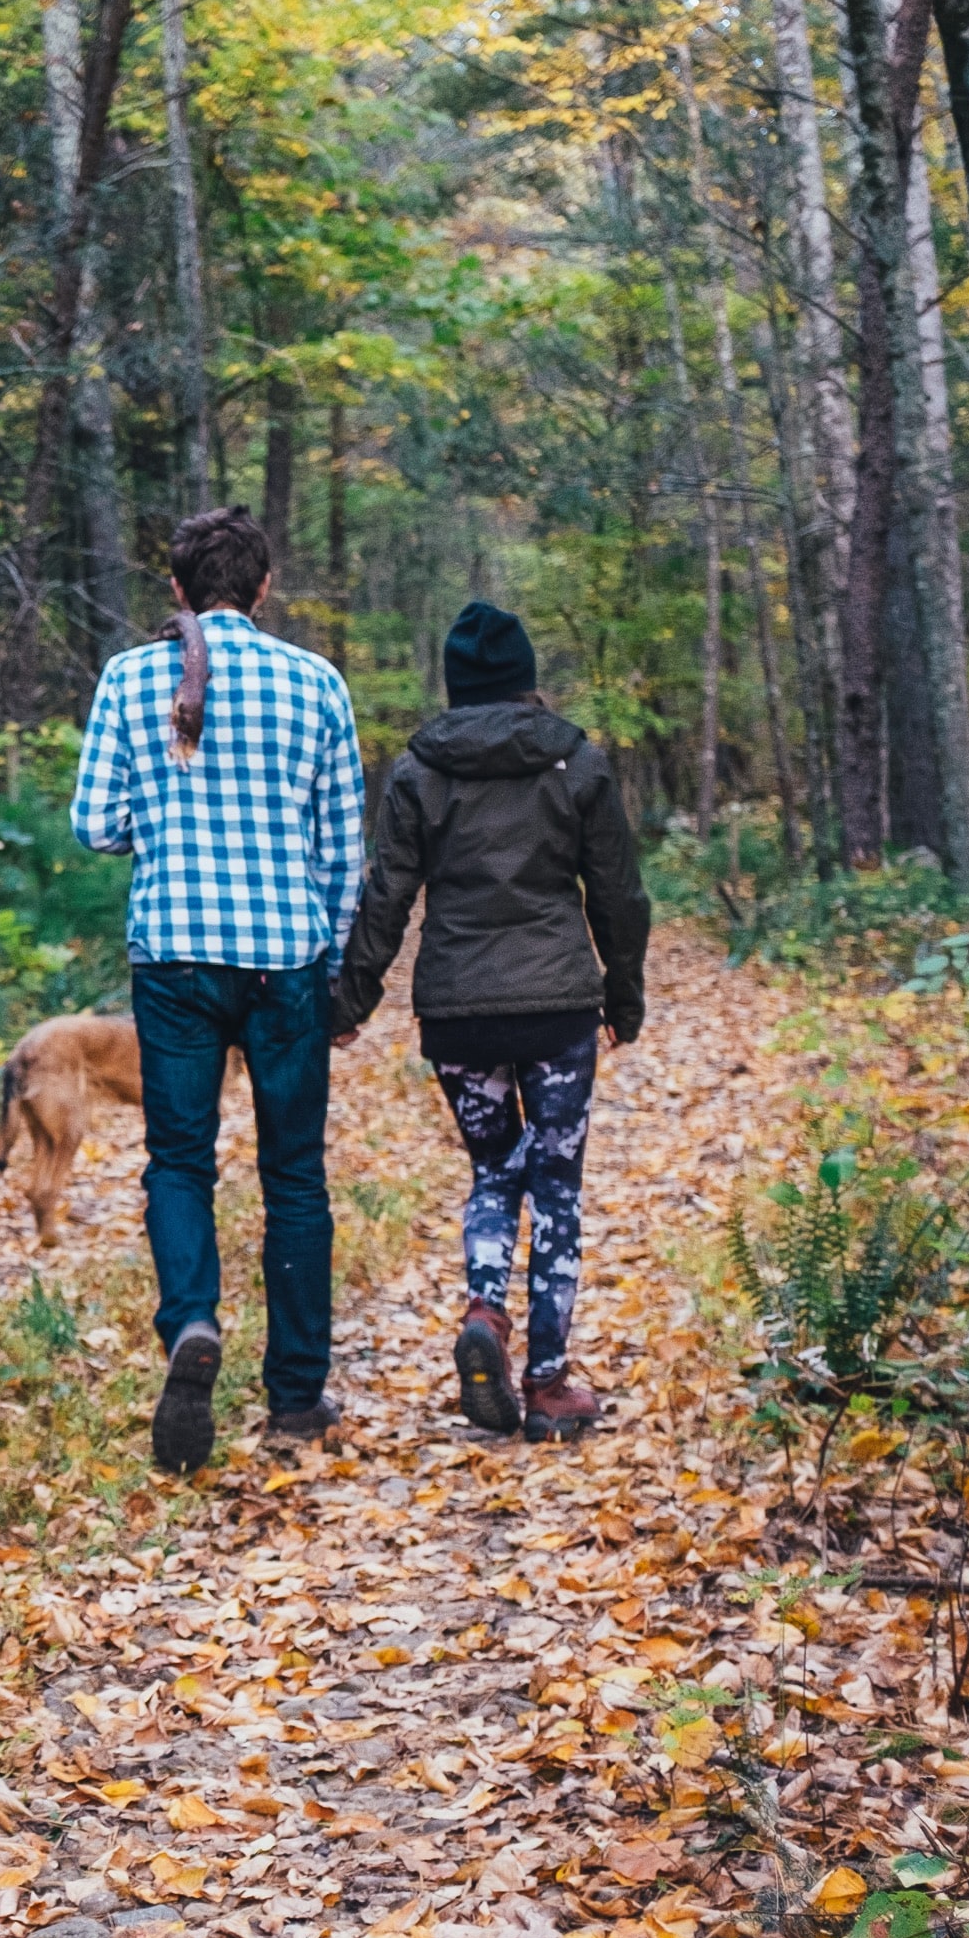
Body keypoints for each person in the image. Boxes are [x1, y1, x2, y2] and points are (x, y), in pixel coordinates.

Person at [70, 506, 364, 1475]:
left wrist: (163, 825)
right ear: (265, 586)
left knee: (179, 1160)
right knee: (294, 1176)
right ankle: (295, 1395)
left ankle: (193, 1321)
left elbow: (94, 824)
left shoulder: (128, 677)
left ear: (177, 590)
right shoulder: (316, 682)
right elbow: (343, 852)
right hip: (285, 955)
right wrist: (331, 971)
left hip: (176, 957)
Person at [330, 600, 649, 1443]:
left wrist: (350, 1000)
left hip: (458, 1012)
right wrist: (624, 997)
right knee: (556, 1187)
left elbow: (387, 894)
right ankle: (546, 1385)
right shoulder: (575, 762)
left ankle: (485, 1310)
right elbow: (617, 891)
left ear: (456, 684)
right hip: (556, 1010)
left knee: (493, 1171)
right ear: (525, 679)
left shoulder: (418, 772)